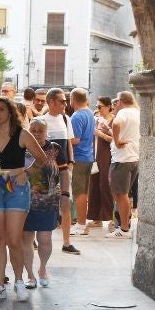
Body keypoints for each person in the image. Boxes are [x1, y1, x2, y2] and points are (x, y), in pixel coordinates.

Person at [0, 97, 50, 302]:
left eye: (1, 109)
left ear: (10, 112)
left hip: (17, 188)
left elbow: (42, 159)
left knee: (14, 239)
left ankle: (19, 281)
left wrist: (25, 172)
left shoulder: (22, 134)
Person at [21, 118, 61, 290]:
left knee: (45, 238)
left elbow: (64, 172)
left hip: (49, 201)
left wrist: (66, 194)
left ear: (46, 132)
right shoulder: (21, 148)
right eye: (33, 130)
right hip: (24, 200)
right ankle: (30, 274)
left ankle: (43, 268)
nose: (36, 134)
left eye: (40, 130)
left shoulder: (55, 149)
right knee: (26, 238)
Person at [40, 88, 78, 255]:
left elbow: (69, 142)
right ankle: (36, 238)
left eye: (65, 101)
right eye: (62, 101)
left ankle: (67, 242)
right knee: (41, 204)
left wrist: (71, 162)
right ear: (51, 102)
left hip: (63, 169)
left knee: (65, 204)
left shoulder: (65, 119)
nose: (65, 104)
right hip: (45, 171)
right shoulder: (40, 121)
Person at [109, 90, 141, 238]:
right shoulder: (137, 112)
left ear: (121, 101)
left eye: (117, 102)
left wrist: (116, 141)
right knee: (124, 194)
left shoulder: (124, 112)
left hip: (122, 159)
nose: (115, 105)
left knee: (121, 195)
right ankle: (124, 226)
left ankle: (124, 228)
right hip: (133, 158)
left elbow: (116, 123)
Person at [68, 88, 95, 236]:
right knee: (84, 192)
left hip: (79, 158)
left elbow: (75, 140)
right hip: (88, 157)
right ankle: (82, 223)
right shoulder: (90, 113)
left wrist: (65, 138)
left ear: (73, 99)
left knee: (79, 193)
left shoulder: (77, 116)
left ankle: (80, 224)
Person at [88, 96, 116, 230]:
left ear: (108, 106)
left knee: (106, 186)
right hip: (96, 156)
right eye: (97, 107)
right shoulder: (96, 119)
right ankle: (96, 218)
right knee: (94, 185)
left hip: (108, 156)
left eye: (100, 107)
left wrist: (101, 134)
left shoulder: (114, 120)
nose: (98, 109)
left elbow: (116, 139)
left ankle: (112, 218)